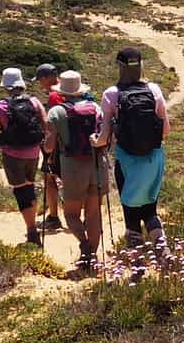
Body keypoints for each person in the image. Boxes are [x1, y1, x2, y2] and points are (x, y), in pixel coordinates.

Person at [99, 44, 168, 250]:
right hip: (153, 158)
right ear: (141, 65)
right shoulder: (153, 89)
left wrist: (96, 142)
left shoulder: (112, 94)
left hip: (127, 159)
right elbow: (165, 130)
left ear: (119, 66)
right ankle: (163, 250)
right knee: (150, 209)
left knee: (130, 211)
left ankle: (137, 262)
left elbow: (104, 137)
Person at [45, 69, 107, 275]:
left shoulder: (55, 112)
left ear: (61, 92)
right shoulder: (96, 108)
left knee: (71, 213)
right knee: (94, 212)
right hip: (97, 164)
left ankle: (84, 246)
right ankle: (93, 255)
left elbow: (49, 146)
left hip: (72, 166)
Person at [0, 66, 47, 246]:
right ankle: (32, 226)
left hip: (12, 154)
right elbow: (46, 124)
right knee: (29, 187)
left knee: (21, 191)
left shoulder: (0, 106)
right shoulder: (34, 102)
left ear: (6, 86)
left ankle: (32, 230)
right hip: (33, 153)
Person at [34, 62, 65, 233]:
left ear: (46, 78)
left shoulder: (54, 96)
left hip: (58, 145)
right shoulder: (70, 90)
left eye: (40, 80)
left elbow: (54, 123)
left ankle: (54, 217)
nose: (40, 83)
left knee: (49, 177)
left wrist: (49, 146)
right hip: (75, 143)